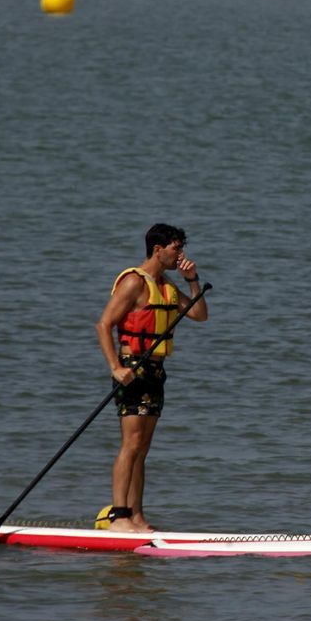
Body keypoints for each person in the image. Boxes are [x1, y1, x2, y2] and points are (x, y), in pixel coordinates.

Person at [94, 223, 208, 533]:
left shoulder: (166, 286)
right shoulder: (134, 282)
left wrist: (192, 281)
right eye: (176, 248)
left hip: (156, 372)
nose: (180, 254)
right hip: (132, 368)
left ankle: (137, 516)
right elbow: (103, 325)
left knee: (142, 447)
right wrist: (115, 367)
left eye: (181, 248)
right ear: (158, 250)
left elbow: (199, 315)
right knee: (131, 444)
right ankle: (119, 517)